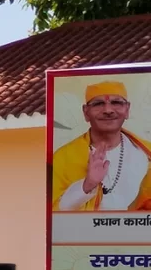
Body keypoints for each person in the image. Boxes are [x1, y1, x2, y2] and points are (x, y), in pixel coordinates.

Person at [52, 80, 151, 212]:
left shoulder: (145, 154)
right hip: (85, 232)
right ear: (86, 112)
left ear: (127, 110)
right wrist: (87, 186)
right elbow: (54, 213)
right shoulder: (62, 158)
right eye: (98, 104)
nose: (108, 110)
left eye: (116, 102)